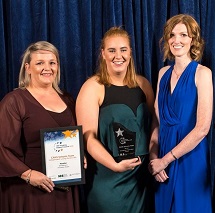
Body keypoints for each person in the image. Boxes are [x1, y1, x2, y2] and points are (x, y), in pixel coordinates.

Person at [76, 26, 155, 213]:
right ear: (103, 54)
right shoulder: (93, 87)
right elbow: (88, 138)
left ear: (130, 53)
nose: (117, 56)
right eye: (111, 50)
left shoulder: (143, 84)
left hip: (140, 181)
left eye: (123, 50)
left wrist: (154, 156)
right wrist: (115, 166)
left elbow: (154, 125)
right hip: (107, 178)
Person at [0, 41, 80, 213]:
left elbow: (74, 136)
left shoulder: (68, 99)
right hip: (28, 190)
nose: (47, 68)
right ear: (28, 68)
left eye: (52, 62)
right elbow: (2, 148)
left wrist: (80, 154)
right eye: (40, 63)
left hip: (64, 188)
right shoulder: (14, 101)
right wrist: (28, 175)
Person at [148, 14, 213, 213]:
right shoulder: (162, 73)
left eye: (184, 35)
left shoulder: (202, 73)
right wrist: (154, 160)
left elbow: (202, 129)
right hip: (162, 162)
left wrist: (165, 159)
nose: (177, 40)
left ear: (192, 39)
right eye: (172, 35)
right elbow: (158, 123)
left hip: (189, 159)